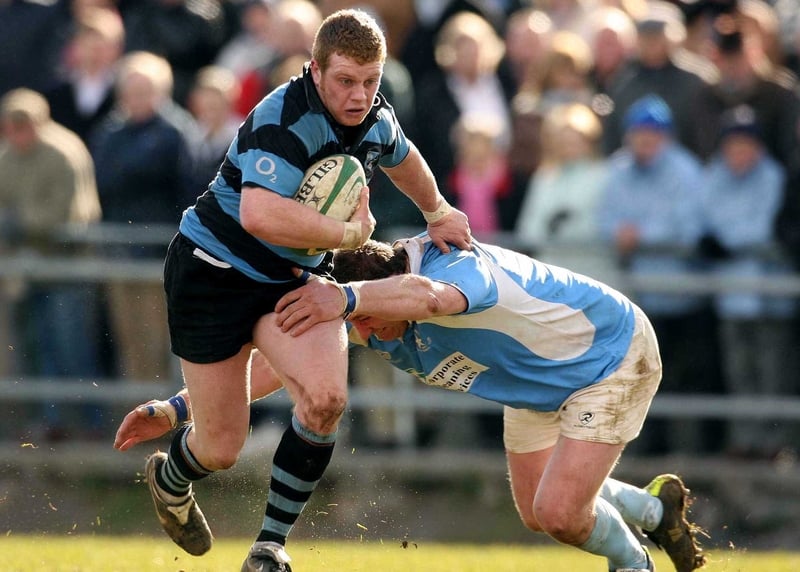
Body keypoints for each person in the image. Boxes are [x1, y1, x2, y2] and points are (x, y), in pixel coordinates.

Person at [115, 9, 471, 572]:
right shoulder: (283, 115)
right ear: (315, 70)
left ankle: (269, 548)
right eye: (346, 81)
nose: (360, 95)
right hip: (215, 271)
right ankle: (171, 474)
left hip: (294, 277)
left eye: (371, 80)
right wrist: (348, 235)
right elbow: (259, 214)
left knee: (326, 399)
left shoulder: (374, 114)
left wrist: (438, 210)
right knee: (222, 446)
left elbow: (402, 156)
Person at [116, 234, 707, 572]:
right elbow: (277, 366)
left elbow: (432, 297)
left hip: (608, 355)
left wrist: (346, 298)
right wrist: (178, 409)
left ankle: (636, 564)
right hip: (537, 382)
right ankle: (656, 514)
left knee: (559, 511)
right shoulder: (375, 310)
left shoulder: (454, 268)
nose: (363, 339)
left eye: (366, 324)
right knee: (539, 511)